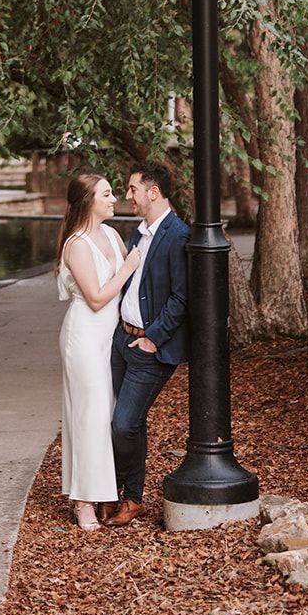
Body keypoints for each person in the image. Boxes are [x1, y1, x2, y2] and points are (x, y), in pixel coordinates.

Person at [102, 161, 190, 527]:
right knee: (126, 423)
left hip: (149, 350)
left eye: (133, 188)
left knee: (124, 424)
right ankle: (127, 495)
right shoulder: (139, 234)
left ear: (153, 192)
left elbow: (182, 298)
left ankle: (132, 495)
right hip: (123, 340)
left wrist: (152, 339)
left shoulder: (179, 235)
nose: (128, 195)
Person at [56, 173, 142, 530]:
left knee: (107, 414)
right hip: (86, 337)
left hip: (111, 337)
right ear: (89, 200)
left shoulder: (110, 234)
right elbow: (95, 297)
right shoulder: (76, 244)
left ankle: (105, 491)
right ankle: (83, 502)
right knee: (88, 417)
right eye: (107, 194)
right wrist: (127, 268)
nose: (114, 198)